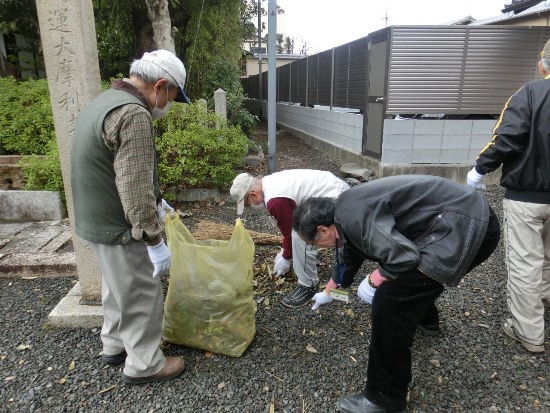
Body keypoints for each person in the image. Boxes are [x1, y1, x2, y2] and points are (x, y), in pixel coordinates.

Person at [292, 175, 500, 413]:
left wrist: (372, 281)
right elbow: (351, 253)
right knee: (412, 286)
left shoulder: (354, 216)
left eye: (312, 243)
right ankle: (427, 321)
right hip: (460, 216)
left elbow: (404, 257)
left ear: (323, 230)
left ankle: (384, 398)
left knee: (391, 302)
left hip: (467, 226)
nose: (315, 247)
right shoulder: (343, 213)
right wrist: (331, 291)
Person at [71, 49, 190, 384]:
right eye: (171, 97)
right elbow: (134, 186)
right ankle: (145, 364)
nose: (168, 105)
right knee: (140, 291)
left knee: (116, 285)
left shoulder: (105, 101)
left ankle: (114, 344)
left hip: (96, 219)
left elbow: (119, 169)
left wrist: (159, 200)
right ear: (160, 85)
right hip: (121, 225)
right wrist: (153, 239)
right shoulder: (133, 113)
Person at [466, 38, 550, 354]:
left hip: (527, 196)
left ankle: (528, 331)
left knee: (526, 260)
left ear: (542, 65)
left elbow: (506, 139)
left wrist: (478, 171)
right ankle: (544, 295)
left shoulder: (530, 93)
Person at [230, 169, 349, 308]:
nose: (252, 206)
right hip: (338, 187)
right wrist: (284, 251)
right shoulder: (270, 182)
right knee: (341, 244)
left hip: (335, 197)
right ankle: (342, 275)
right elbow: (290, 222)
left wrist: (286, 258)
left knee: (301, 235)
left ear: (252, 194)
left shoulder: (275, 200)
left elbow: (292, 230)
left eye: (248, 203)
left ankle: (308, 285)